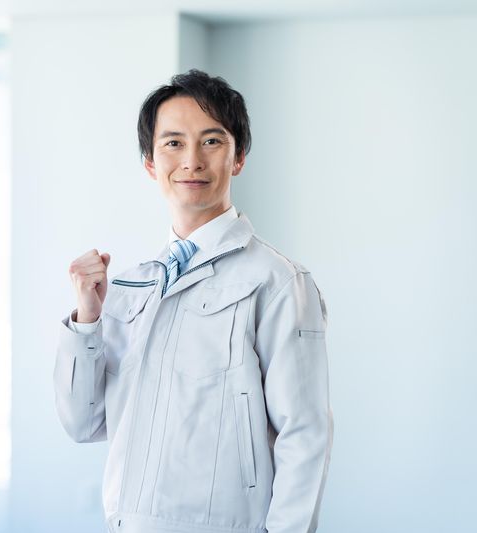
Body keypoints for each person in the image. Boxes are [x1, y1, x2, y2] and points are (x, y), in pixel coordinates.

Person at [54, 69, 333, 533]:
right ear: (150, 163)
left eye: (212, 141)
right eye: (173, 143)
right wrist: (87, 319)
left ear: (238, 157)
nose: (192, 161)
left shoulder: (278, 282)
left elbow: (304, 435)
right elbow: (83, 423)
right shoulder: (131, 287)